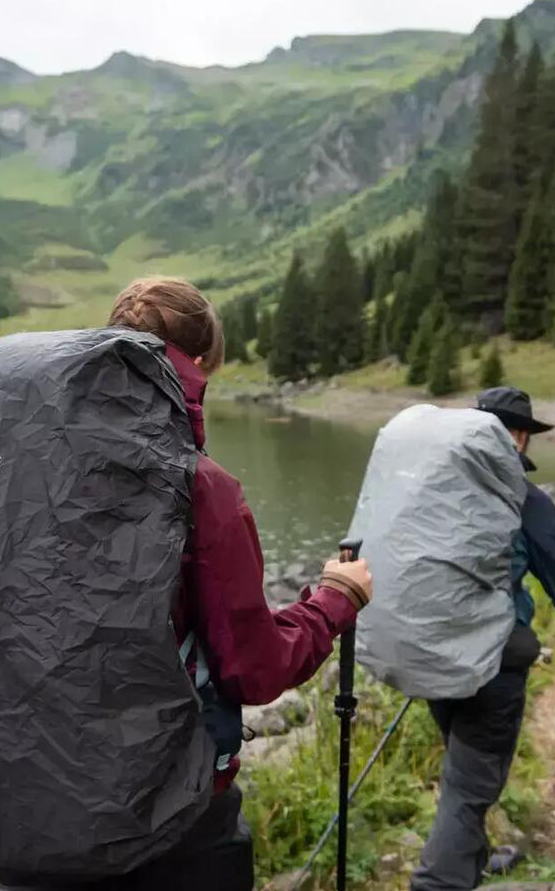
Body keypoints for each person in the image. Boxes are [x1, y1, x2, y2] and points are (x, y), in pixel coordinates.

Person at [69, 275, 373, 891]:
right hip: (170, 818)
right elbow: (252, 669)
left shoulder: (35, 465)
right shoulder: (201, 487)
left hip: (34, 798)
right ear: (201, 362)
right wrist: (335, 601)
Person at [410, 385, 555, 891]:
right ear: (517, 436)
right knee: (469, 787)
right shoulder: (525, 498)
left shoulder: (435, 485)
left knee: (463, 770)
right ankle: (438, 882)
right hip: (492, 660)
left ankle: (470, 861)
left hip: (429, 649)